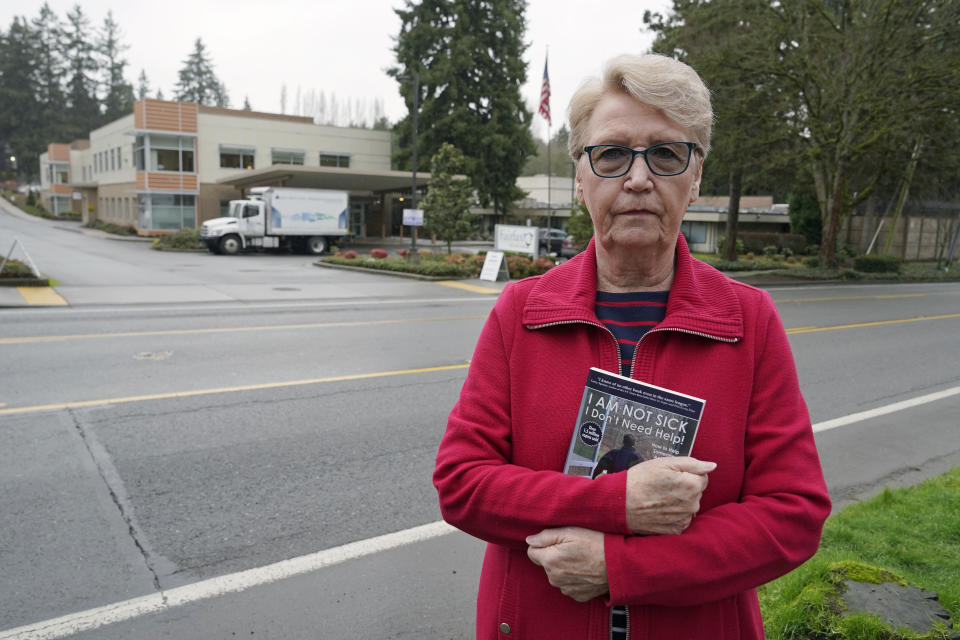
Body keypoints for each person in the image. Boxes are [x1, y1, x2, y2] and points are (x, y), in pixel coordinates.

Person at [433, 53, 830, 640]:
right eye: (612, 154)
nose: (638, 179)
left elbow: (792, 516)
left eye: (666, 154)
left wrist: (622, 567)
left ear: (694, 177)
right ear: (580, 176)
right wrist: (615, 502)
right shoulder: (521, 312)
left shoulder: (748, 320)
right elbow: (463, 482)